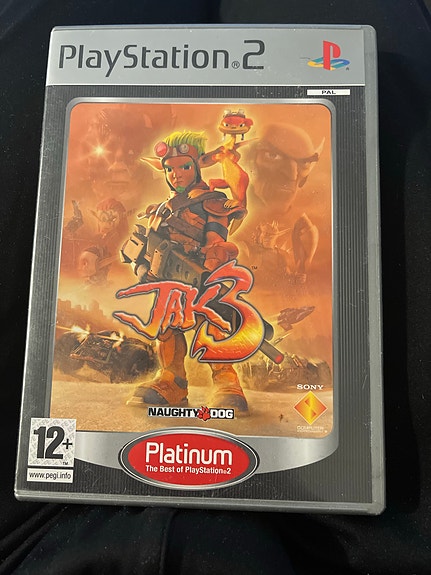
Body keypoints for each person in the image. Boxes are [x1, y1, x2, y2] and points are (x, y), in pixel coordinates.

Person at [121, 130, 251, 413]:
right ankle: (173, 381)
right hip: (169, 282)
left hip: (201, 276)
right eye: (169, 169)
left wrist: (214, 260)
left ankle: (226, 380)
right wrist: (142, 267)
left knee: (213, 322)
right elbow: (144, 247)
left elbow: (217, 240)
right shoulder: (159, 210)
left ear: (197, 166)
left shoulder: (212, 201)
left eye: (184, 167)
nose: (176, 174)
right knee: (167, 326)